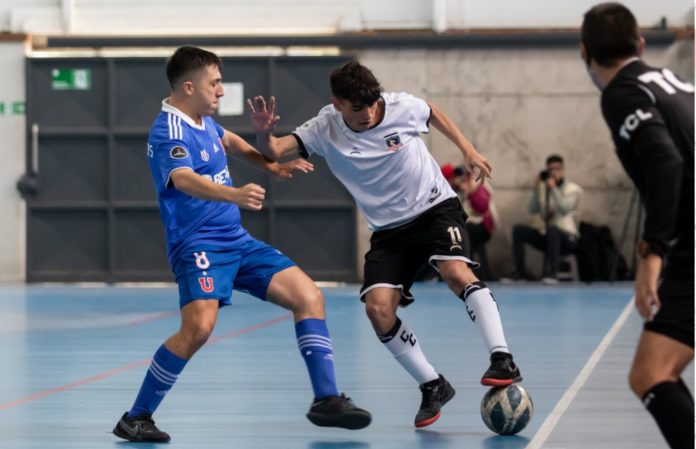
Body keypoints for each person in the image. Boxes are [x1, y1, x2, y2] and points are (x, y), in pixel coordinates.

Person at [112, 46, 371, 443]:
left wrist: (272, 165)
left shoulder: (202, 121)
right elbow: (181, 178)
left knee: (308, 297)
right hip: (197, 245)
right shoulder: (169, 130)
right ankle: (137, 416)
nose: (220, 90)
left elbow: (230, 141)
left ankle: (327, 399)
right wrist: (233, 195)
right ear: (188, 86)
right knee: (198, 328)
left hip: (237, 241)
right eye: (214, 83)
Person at [247, 61, 523, 428]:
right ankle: (432, 384)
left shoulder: (399, 107)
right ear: (338, 103)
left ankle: (502, 357)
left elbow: (433, 112)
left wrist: (468, 150)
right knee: (377, 309)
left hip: (434, 209)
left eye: (372, 103)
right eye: (357, 107)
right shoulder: (325, 127)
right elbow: (277, 150)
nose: (368, 113)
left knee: (455, 272)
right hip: (390, 231)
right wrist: (265, 134)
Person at [581, 4, 694, 448]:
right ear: (641, 45)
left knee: (651, 373)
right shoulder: (677, 83)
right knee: (660, 370)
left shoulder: (622, 93)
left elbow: (667, 164)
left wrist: (653, 252)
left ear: (584, 52)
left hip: (689, 245)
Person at [501, 154, 582, 284]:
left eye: (557, 169)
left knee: (553, 229)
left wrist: (553, 188)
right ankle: (519, 273)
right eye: (551, 169)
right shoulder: (544, 188)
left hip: (568, 239)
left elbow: (564, 208)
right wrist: (537, 188)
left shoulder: (574, 189)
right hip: (547, 236)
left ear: (563, 170)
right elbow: (532, 209)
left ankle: (553, 274)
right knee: (519, 230)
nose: (554, 172)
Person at [443, 164, 497, 279]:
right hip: (468, 225)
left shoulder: (476, 183)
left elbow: (481, 208)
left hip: (483, 225)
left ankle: (467, 272)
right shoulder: (455, 191)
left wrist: (470, 191)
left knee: (464, 234)